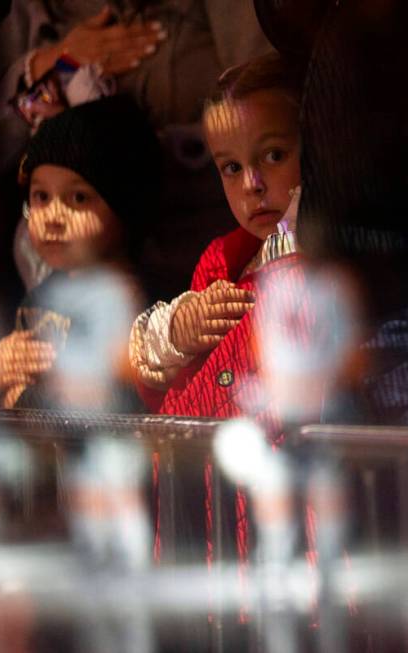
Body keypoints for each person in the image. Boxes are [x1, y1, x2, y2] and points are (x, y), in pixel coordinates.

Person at [0, 1, 275, 297]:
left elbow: (272, 116)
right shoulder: (41, 10)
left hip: (203, 250)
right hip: (69, 268)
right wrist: (48, 66)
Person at [128, 52, 305, 423]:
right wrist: (177, 331)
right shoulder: (220, 263)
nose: (251, 184)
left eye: (274, 155)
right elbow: (166, 381)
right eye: (231, 167)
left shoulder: (321, 266)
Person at [0, 96, 161, 409]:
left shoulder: (143, 306)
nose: (53, 216)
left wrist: (23, 397)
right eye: (41, 196)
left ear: (126, 208)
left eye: (78, 198)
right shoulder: (40, 299)